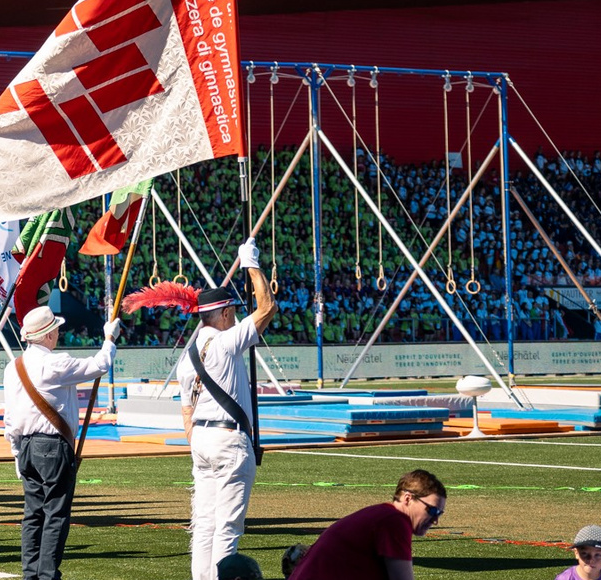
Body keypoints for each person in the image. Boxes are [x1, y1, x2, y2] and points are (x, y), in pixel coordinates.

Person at [176, 239, 276, 580]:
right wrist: (251, 264)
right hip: (228, 438)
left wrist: (195, 440)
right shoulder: (224, 342)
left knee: (203, 523)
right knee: (228, 527)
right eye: (231, 312)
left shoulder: (187, 355)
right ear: (222, 314)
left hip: (201, 439)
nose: (235, 318)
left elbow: (186, 408)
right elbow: (266, 308)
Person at [2, 305, 121, 580]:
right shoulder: (54, 362)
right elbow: (100, 365)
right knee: (55, 513)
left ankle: (31, 573)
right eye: (54, 328)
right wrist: (109, 339)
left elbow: (11, 416)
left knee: (33, 514)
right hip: (53, 446)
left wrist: (15, 451)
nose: (57, 332)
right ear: (47, 335)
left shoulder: (13, 367)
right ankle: (46, 574)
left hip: (27, 446)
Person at [288, 469, 447, 580]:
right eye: (432, 511)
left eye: (439, 513)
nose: (435, 520)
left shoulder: (381, 514)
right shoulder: (394, 521)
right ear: (407, 498)